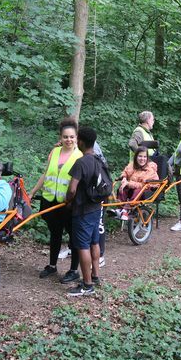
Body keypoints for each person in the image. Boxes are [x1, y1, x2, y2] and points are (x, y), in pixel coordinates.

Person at [29, 118, 83, 284]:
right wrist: (32, 192)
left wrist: (73, 201)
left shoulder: (79, 156)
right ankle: (52, 266)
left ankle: (74, 270)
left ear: (76, 137)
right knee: (55, 234)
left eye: (72, 137)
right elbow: (46, 174)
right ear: (60, 137)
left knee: (74, 237)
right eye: (65, 137)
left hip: (68, 204)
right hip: (50, 201)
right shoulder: (55, 152)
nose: (68, 140)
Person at [65, 126, 106, 296]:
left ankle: (87, 285)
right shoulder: (98, 160)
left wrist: (68, 201)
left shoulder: (81, 162)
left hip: (82, 211)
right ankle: (95, 275)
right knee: (94, 242)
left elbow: (72, 189)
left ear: (80, 141)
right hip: (96, 208)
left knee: (82, 246)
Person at [117, 146, 159, 220]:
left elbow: (142, 185)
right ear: (136, 156)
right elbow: (125, 172)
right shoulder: (132, 165)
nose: (142, 159)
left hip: (148, 188)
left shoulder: (150, 169)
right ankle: (121, 209)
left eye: (144, 157)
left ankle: (126, 210)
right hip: (134, 188)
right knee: (122, 187)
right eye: (140, 156)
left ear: (147, 158)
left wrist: (128, 183)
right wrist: (124, 178)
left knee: (138, 190)